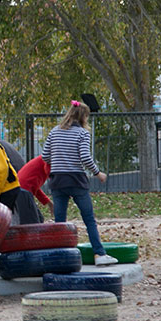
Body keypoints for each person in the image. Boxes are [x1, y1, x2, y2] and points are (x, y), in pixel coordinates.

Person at [41, 100, 116, 266]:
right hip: (76, 180)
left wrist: (59, 159)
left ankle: (61, 256)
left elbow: (45, 156)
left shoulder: (54, 131)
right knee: (89, 218)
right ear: (83, 117)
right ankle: (99, 254)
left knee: (60, 221)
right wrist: (98, 173)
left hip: (58, 180)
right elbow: (85, 156)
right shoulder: (82, 133)